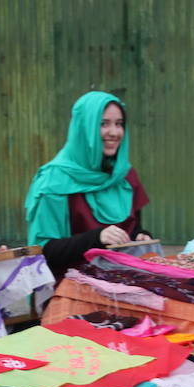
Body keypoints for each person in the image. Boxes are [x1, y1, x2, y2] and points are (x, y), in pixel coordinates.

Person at [24, 91, 154, 276]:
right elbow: (44, 251)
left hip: (122, 278)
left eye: (119, 124)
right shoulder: (53, 181)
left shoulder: (124, 175)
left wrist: (139, 236)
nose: (114, 132)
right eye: (103, 124)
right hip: (70, 286)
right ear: (84, 128)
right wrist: (97, 238)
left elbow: (132, 228)